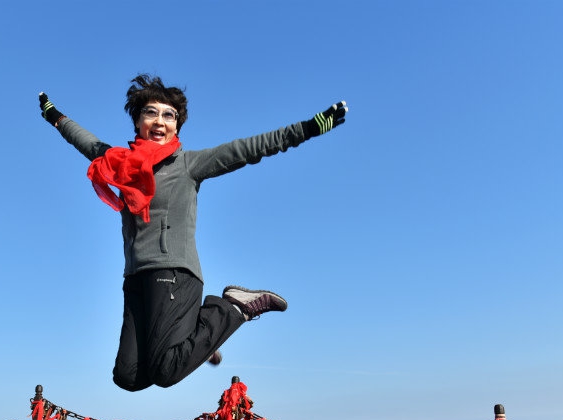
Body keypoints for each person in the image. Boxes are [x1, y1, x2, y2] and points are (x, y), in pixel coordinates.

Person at [39, 75, 347, 392]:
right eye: (150, 112)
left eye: (168, 115)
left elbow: (250, 148)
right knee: (128, 377)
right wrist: (54, 116)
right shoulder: (118, 164)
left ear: (177, 126)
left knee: (167, 372)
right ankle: (194, 338)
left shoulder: (188, 165)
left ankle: (233, 307)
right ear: (138, 121)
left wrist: (310, 127)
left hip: (173, 271)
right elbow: (83, 140)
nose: (159, 121)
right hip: (134, 278)